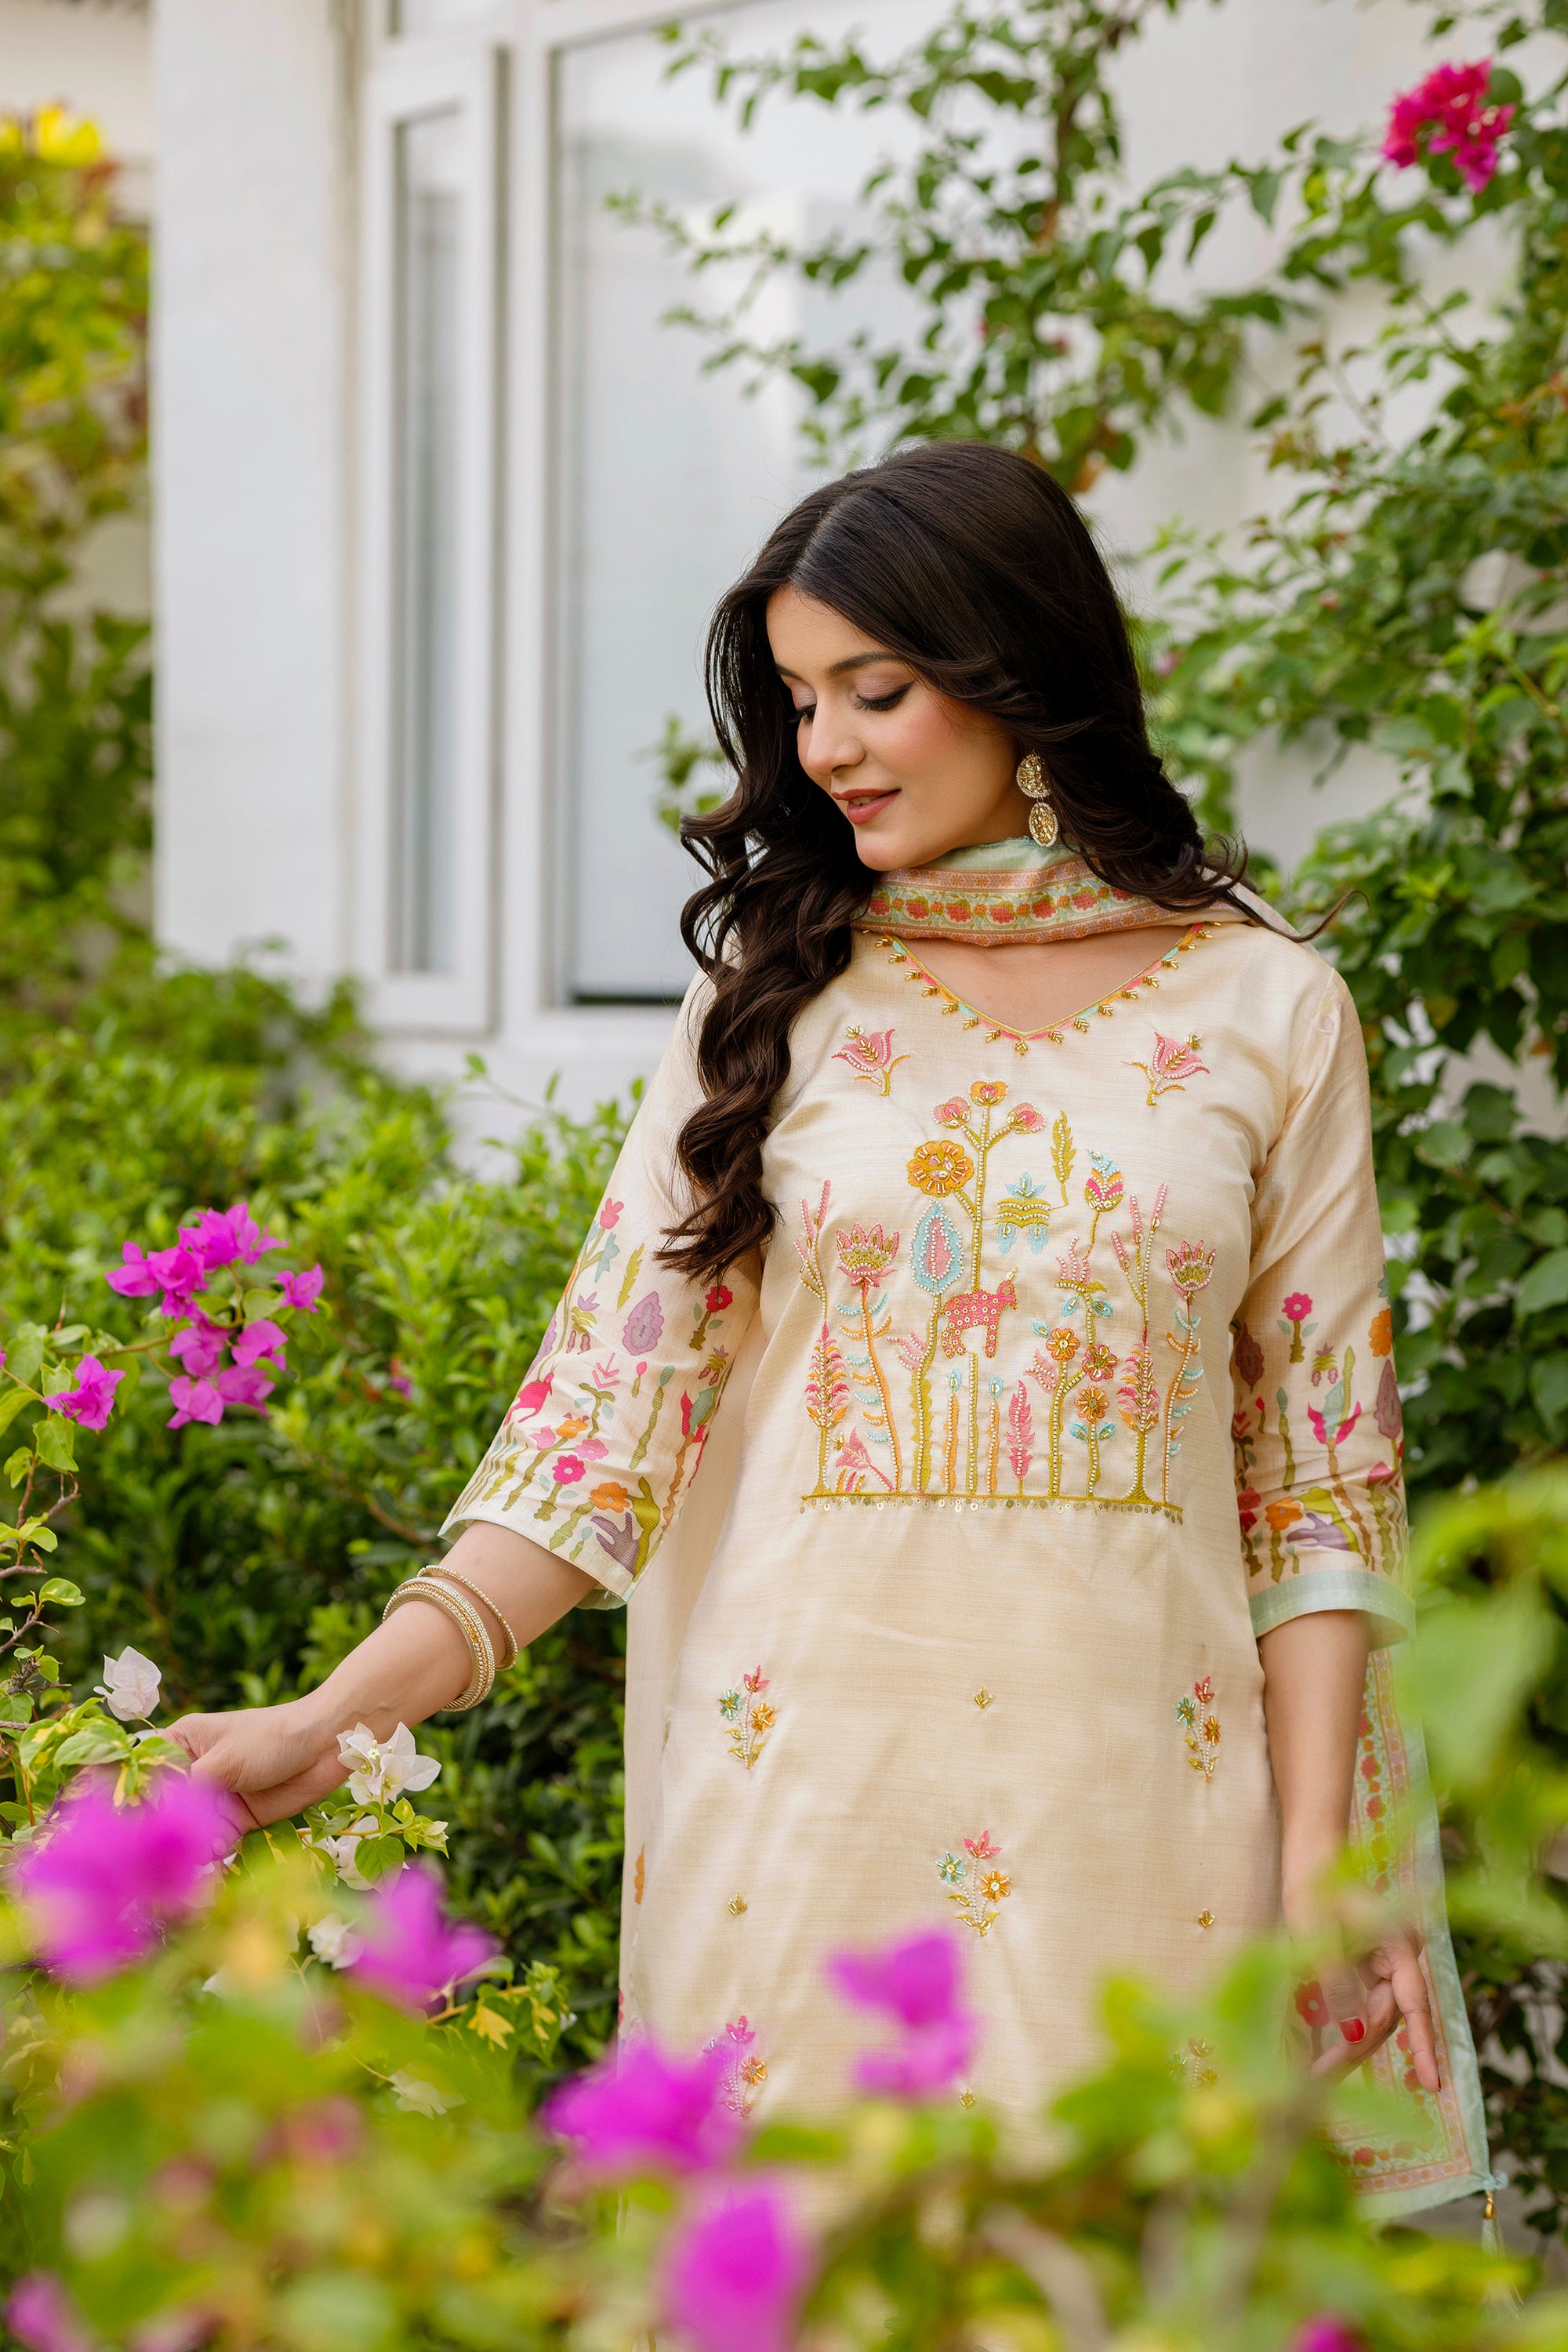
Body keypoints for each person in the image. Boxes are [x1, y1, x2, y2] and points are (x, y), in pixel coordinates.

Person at [172, 441, 1487, 2215]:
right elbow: (602, 1436)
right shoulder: (771, 996)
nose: (827, 749)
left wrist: (1323, 1863)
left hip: (1149, 1825)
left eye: (875, 691)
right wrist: (337, 1717)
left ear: (1023, 676)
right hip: (799, 1816)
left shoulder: (1268, 1006)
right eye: (798, 702)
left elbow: (1318, 1483)